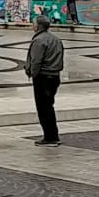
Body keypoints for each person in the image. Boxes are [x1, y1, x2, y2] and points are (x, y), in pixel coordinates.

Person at [24, 15, 65, 145]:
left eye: (33, 23)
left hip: (43, 77)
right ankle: (52, 135)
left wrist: (32, 74)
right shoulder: (55, 39)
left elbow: (36, 61)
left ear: (37, 26)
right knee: (49, 106)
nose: (32, 25)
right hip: (54, 76)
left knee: (43, 108)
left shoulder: (38, 41)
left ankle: (50, 137)